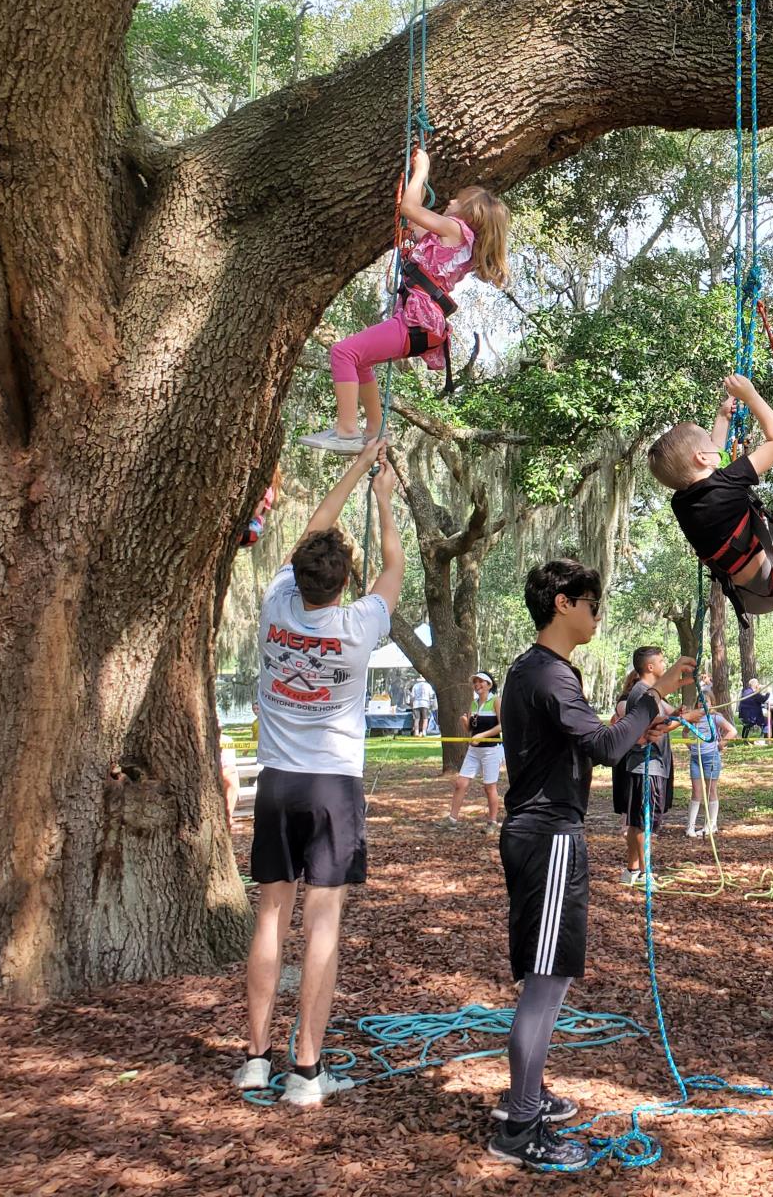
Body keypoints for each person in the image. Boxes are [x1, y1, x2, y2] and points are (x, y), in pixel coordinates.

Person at [489, 559, 693, 1170]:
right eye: (592, 603)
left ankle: (527, 1099)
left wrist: (644, 719)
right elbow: (604, 748)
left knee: (547, 978)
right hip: (550, 837)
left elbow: (589, 740)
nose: (597, 614)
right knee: (545, 985)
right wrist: (649, 696)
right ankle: (519, 1128)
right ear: (562, 604)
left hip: (544, 832)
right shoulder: (549, 676)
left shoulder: (540, 672)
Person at [238, 442, 404, 1108]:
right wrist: (386, 500)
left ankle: (255, 1060)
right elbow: (393, 565)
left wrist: (358, 466)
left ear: (301, 573)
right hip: (333, 786)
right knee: (324, 921)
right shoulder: (361, 623)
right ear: (343, 582)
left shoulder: (277, 602)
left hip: (278, 780)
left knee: (271, 916)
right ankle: (306, 1071)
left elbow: (311, 529)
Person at [302, 147, 510, 453]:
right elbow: (416, 227)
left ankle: (346, 430)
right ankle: (374, 431)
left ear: (470, 214)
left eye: (457, 200)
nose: (450, 201)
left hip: (418, 322)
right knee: (361, 362)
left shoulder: (456, 229)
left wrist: (421, 170)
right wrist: (414, 231)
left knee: (343, 353)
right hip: (422, 327)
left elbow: (409, 208)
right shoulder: (457, 241)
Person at [648, 373, 773, 620]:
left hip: (752, 598)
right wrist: (750, 395)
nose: (719, 449)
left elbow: (714, 459)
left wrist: (722, 418)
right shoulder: (727, 482)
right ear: (702, 458)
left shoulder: (683, 504)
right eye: (709, 442)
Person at [612, 647, 689, 884]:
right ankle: (646, 873)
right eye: (662, 661)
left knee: (637, 821)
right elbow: (648, 729)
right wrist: (685, 718)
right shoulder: (642, 693)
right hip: (646, 766)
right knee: (644, 822)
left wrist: (676, 715)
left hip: (648, 766)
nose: (665, 665)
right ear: (650, 667)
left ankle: (632, 871)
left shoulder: (648, 693)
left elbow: (657, 721)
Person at [450, 671, 504, 832]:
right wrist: (464, 723)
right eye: (475, 682)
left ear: (489, 684)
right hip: (474, 750)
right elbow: (470, 730)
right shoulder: (473, 704)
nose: (477, 685)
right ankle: (452, 819)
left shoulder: (496, 701)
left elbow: (503, 725)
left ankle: (492, 823)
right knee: (460, 783)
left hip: (491, 750)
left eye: (481, 682)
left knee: (489, 787)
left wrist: (483, 735)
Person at [684, 700, 737, 839]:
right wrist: (690, 746)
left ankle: (711, 825)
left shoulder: (715, 717)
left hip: (711, 757)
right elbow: (684, 733)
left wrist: (721, 744)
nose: (702, 704)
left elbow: (732, 731)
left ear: (712, 703)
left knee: (710, 790)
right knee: (696, 791)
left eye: (705, 701)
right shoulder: (693, 718)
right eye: (699, 701)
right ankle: (690, 826)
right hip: (695, 758)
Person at [409, 673, 437, 737]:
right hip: (425, 703)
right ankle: (424, 732)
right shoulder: (428, 686)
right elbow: (431, 695)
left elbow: (412, 696)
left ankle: (416, 732)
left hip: (416, 704)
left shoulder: (415, 686)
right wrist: (431, 704)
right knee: (425, 719)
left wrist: (411, 704)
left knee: (417, 719)